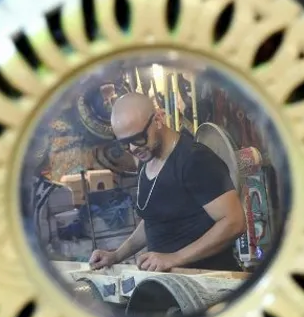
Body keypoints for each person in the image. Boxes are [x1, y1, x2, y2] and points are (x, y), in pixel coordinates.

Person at [88, 93, 246, 273]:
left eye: (138, 138)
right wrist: (116, 256)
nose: (132, 148)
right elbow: (154, 221)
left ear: (158, 119)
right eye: (125, 144)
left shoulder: (195, 160)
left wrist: (174, 258)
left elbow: (234, 222)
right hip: (170, 282)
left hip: (206, 280)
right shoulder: (147, 159)